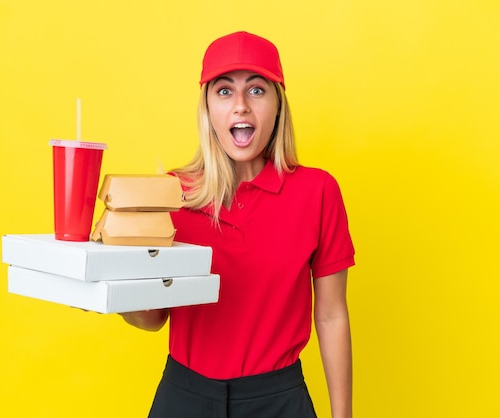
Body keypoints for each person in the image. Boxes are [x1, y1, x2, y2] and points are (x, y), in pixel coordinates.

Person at [120, 31, 356, 418]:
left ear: (279, 104)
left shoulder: (318, 192)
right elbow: (152, 319)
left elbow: (331, 315)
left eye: (257, 90)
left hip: (279, 400)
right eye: (224, 91)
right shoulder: (171, 195)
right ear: (208, 107)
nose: (241, 106)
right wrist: (111, 286)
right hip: (184, 397)